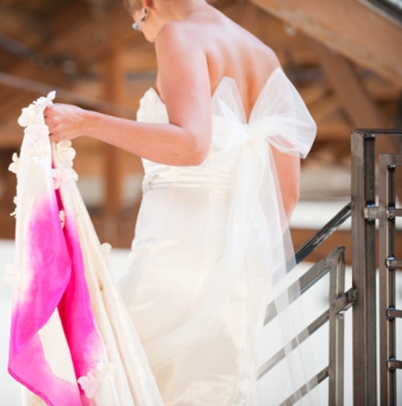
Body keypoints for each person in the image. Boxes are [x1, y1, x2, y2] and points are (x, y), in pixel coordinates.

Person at [43, 0, 317, 404]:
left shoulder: (178, 34)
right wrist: (236, 253)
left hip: (177, 249)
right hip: (242, 266)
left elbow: (191, 145)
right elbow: (287, 194)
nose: (145, 32)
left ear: (146, 6)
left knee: (115, 370)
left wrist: (86, 121)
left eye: (137, 23)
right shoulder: (263, 55)